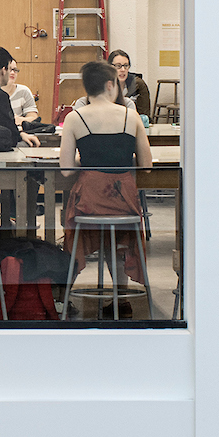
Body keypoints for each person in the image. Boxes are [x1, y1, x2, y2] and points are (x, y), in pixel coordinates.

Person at [59, 60, 154, 298]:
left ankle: (64, 296)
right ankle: (121, 296)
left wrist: (90, 162)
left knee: (80, 229)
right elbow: (147, 166)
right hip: (123, 202)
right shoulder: (130, 117)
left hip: (89, 203)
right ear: (111, 85)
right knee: (118, 239)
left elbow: (66, 170)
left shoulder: (74, 117)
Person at [108, 50, 154, 119]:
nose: (123, 69)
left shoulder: (138, 84)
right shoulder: (103, 86)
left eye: (126, 65)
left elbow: (144, 114)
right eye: (118, 66)